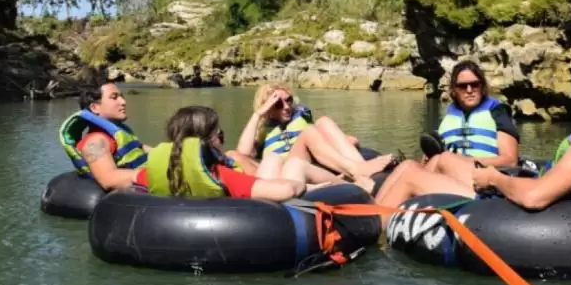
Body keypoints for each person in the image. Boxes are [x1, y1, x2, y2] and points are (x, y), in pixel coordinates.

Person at [368, 63, 571, 226]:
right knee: (441, 161)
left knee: (408, 172)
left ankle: (366, 228)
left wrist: (494, 179)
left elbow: (534, 197)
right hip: (549, 201)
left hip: (511, 212)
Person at [143, 105, 337, 201]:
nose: (222, 139)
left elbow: (128, 182)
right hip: (254, 216)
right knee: (293, 168)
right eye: (220, 134)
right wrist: (300, 184)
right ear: (208, 141)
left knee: (273, 159)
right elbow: (285, 190)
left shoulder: (150, 173)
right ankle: (346, 184)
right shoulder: (221, 175)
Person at [233, 84, 397, 180]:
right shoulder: (262, 129)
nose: (287, 107)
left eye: (288, 100)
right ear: (267, 107)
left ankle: (362, 168)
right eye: (278, 104)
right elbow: (243, 153)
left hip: (310, 162)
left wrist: (347, 143)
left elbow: (329, 139)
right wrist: (258, 113)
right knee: (309, 132)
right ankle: (355, 170)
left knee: (323, 121)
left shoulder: (301, 117)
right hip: (284, 169)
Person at [418, 61, 521, 185]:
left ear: (482, 86)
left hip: (481, 178)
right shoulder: (450, 116)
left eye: (475, 84)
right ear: (454, 89)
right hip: (448, 177)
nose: (469, 90)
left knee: (445, 159)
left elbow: (510, 161)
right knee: (408, 165)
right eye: (462, 86)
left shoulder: (497, 112)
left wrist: (464, 161)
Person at [58, 82, 151, 191]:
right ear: (94, 108)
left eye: (122, 96)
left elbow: (149, 151)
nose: (123, 102)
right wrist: (156, 178)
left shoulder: (123, 134)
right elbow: (108, 179)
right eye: (114, 97)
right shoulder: (95, 142)